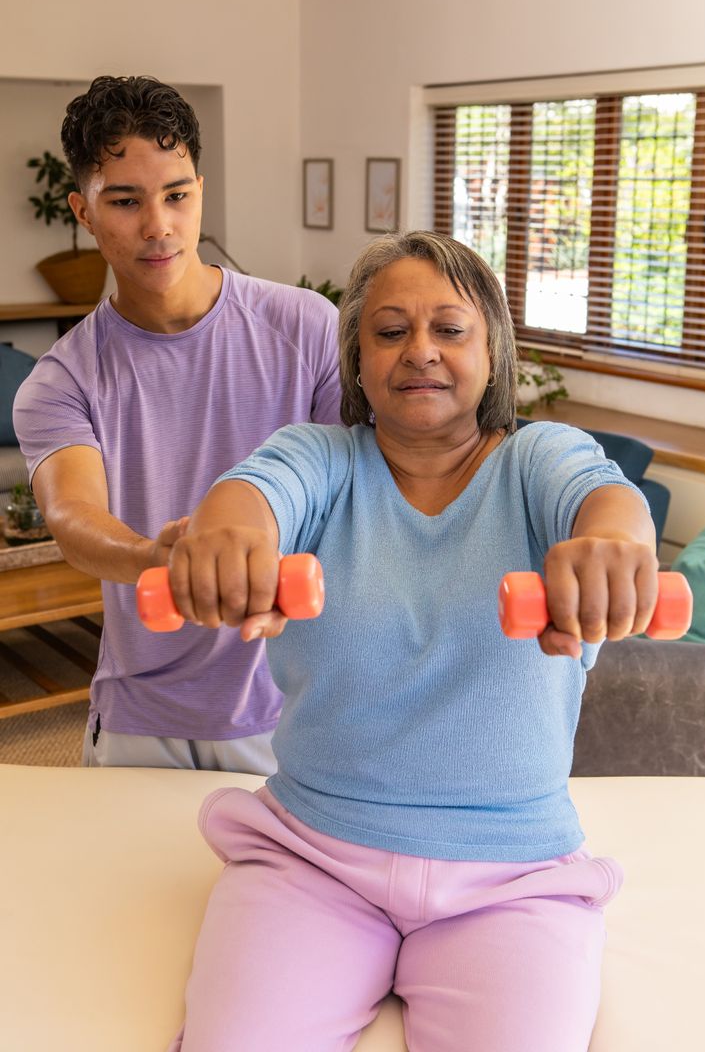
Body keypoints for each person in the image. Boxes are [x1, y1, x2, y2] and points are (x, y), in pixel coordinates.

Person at [165, 231, 658, 1051]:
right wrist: (229, 534)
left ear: (493, 355)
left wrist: (613, 547)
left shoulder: (539, 459)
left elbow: (604, 498)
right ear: (358, 363)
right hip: (312, 859)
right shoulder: (318, 457)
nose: (420, 350)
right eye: (390, 331)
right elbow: (254, 492)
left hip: (513, 877)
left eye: (450, 329)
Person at [13, 75, 341, 775]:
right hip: (141, 719)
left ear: (201, 193)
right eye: (125, 201)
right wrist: (154, 558)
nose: (158, 225)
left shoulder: (308, 327)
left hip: (292, 712)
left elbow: (354, 489)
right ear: (84, 211)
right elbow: (72, 515)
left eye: (177, 195)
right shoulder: (61, 380)